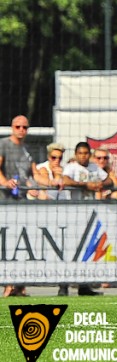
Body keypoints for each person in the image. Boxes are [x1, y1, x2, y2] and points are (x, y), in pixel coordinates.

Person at [0, 115, 51, 297]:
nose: (21, 130)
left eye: (25, 127)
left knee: (21, 245)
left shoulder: (26, 150)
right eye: (18, 126)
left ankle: (19, 286)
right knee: (7, 245)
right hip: (5, 202)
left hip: (21, 203)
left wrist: (51, 182)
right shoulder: (4, 144)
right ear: (12, 127)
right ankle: (8, 285)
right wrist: (5, 182)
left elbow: (34, 174)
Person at [59, 142, 114, 296]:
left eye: (85, 153)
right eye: (80, 153)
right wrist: (85, 185)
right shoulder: (72, 167)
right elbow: (65, 180)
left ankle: (84, 287)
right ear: (76, 155)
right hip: (74, 213)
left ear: (89, 154)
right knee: (69, 251)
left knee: (86, 252)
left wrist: (100, 184)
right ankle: (63, 287)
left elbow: (110, 181)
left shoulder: (94, 167)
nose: (83, 156)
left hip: (90, 216)